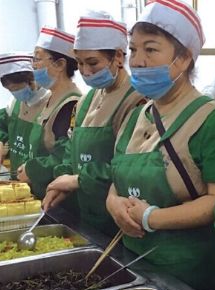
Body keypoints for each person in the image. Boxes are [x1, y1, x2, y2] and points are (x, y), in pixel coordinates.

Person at [106, 0, 215, 290]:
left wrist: (151, 217)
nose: (138, 60)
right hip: (133, 265)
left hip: (189, 275)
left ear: (183, 59)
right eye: (133, 50)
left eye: (151, 49)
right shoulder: (135, 116)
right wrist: (114, 205)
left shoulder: (210, 120)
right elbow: (115, 181)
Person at [43, 11, 145, 236]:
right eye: (79, 63)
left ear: (118, 57)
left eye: (92, 63)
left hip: (119, 219)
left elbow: (132, 169)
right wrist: (62, 182)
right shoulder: (87, 100)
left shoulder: (136, 100)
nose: (85, 72)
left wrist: (79, 180)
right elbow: (73, 150)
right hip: (86, 214)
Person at [17, 27, 82, 199]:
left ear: (60, 64)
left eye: (37, 59)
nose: (33, 66)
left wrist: (33, 169)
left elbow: (64, 156)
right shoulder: (49, 99)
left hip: (59, 196)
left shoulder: (70, 104)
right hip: (40, 190)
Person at [0, 52, 50, 178]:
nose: (15, 93)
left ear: (32, 80)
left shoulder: (50, 102)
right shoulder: (14, 104)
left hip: (40, 179)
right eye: (10, 90)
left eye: (17, 89)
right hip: (17, 177)